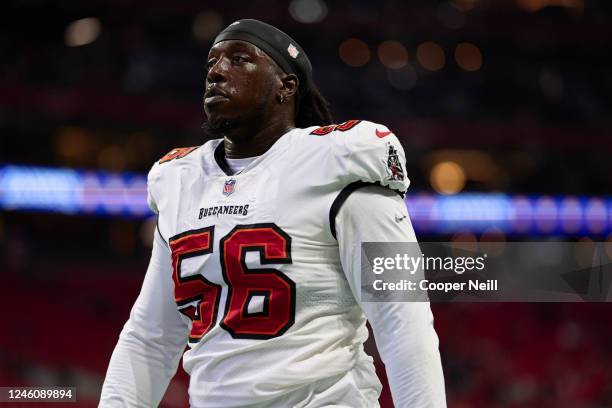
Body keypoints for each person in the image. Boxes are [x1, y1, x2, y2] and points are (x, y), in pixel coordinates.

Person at [100, 19, 446, 407]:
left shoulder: (341, 161)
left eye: (240, 59)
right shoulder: (179, 180)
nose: (215, 72)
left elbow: (402, 319)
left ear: (287, 86)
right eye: (212, 62)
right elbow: (151, 336)